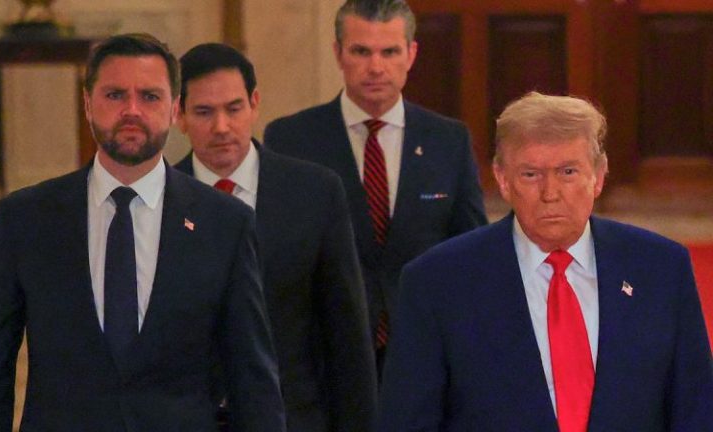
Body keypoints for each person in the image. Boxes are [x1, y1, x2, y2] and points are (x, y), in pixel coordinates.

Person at [0, 33, 286, 432]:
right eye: (115, 95)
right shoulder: (25, 219)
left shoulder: (225, 223)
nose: (132, 110)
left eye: (149, 96)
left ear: (174, 108)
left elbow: (253, 378)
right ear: (87, 104)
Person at [378, 91, 713, 431]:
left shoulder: (661, 268)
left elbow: (696, 410)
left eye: (568, 171)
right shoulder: (437, 282)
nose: (550, 193)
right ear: (503, 179)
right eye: (531, 174)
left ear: (598, 176)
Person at [263, 0, 487, 373]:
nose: (376, 67)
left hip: (424, 348)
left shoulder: (448, 140)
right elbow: (278, 254)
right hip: (325, 355)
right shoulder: (291, 139)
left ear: (411, 54)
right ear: (338, 53)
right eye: (361, 52)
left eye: (390, 52)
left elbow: (471, 249)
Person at [174, 43, 376, 432]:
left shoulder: (314, 193)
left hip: (294, 418)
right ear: (178, 116)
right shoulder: (160, 200)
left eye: (233, 108)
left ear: (254, 104)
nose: (221, 127)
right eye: (204, 112)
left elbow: (347, 335)